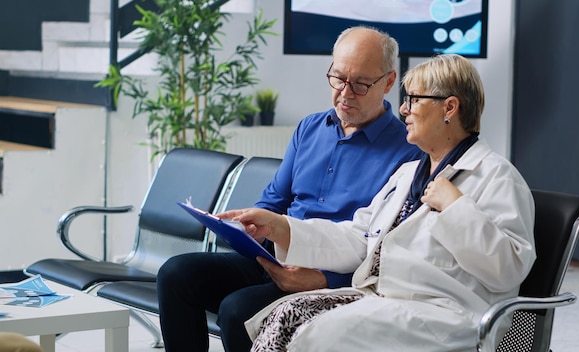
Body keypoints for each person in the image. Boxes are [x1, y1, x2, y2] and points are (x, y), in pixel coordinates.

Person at [219, 54, 537, 352]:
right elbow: (359, 237)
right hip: (385, 300)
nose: (403, 109)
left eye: (413, 99)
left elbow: (508, 269)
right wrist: (282, 227)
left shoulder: (496, 176)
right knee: (282, 317)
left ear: (449, 108)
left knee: (322, 335)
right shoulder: (409, 173)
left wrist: (456, 208)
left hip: (446, 314)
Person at [157, 26, 423, 352]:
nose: (345, 92)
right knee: (175, 274)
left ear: (389, 82)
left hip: (331, 278)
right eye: (338, 78)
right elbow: (275, 200)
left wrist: (326, 280)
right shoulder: (309, 128)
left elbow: (388, 252)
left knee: (238, 311)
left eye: (360, 84)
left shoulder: (409, 152)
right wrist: (246, 227)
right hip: (273, 257)